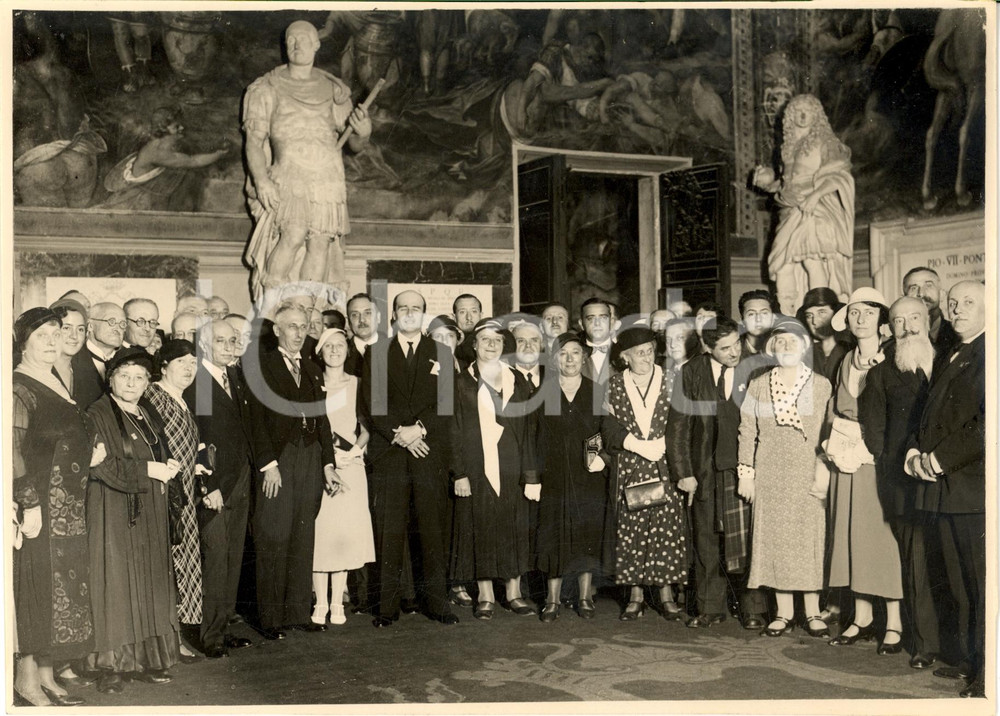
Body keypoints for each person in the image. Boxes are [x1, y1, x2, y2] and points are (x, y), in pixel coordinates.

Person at [243, 20, 372, 299]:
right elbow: (254, 141)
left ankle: (307, 305)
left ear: (316, 45)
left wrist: (364, 133)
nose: (297, 45)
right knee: (293, 233)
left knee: (321, 241)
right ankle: (274, 302)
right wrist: (261, 180)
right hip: (291, 173)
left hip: (327, 176)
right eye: (291, 40)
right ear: (285, 45)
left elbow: (355, 144)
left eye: (304, 39)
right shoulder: (266, 87)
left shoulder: (335, 90)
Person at [12, 307, 98, 706]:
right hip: (40, 507)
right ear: (23, 343)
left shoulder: (55, 380)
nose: (51, 341)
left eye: (55, 333)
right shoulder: (17, 387)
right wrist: (28, 504)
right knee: (35, 586)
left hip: (68, 508)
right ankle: (26, 678)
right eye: (42, 335)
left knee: (57, 588)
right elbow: (12, 451)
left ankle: (46, 673)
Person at [904, 281, 986, 698]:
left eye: (969, 302)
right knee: (959, 582)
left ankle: (990, 672)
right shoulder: (954, 352)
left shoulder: (990, 352)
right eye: (953, 303)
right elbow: (930, 412)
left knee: (982, 585)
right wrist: (916, 449)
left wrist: (936, 460)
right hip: (946, 489)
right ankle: (972, 661)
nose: (957, 309)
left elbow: (986, 426)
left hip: (974, 490)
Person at [361, 290, 459, 627]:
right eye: (403, 308)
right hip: (390, 452)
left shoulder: (442, 353)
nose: (409, 313)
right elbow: (373, 403)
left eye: (415, 308)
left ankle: (437, 603)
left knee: (431, 529)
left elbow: (447, 404)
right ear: (394, 315)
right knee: (390, 529)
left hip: (427, 450)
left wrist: (418, 429)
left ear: (424, 315)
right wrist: (397, 434)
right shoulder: (377, 353)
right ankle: (386, 607)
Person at [86, 347, 181, 693]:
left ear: (148, 382)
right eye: (124, 375)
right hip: (113, 509)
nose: (131, 382)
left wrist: (167, 466)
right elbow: (99, 465)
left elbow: (159, 451)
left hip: (148, 509)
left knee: (149, 582)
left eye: (139, 376)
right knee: (117, 585)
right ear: (110, 378)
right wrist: (148, 470)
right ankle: (111, 667)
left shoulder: (147, 411)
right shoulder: (97, 413)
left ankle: (147, 660)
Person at [666, 316, 769, 630]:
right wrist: (684, 472)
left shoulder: (756, 367)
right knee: (706, 539)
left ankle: (753, 609)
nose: (734, 352)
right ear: (707, 347)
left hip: (745, 468)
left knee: (748, 542)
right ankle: (710, 607)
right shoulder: (691, 372)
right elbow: (679, 427)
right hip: (705, 470)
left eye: (736, 343)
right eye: (724, 348)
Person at [244, 303, 337, 640]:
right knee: (274, 533)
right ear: (278, 330)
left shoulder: (312, 369)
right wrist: (268, 465)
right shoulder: (260, 367)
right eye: (292, 326)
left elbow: (322, 418)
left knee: (302, 533)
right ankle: (269, 618)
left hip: (309, 458)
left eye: (304, 327)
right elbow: (256, 420)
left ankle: (297, 612)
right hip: (279, 460)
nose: (299, 333)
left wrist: (328, 463)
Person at [858, 297, 941, 670]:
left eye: (915, 318)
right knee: (918, 563)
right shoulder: (879, 374)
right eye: (899, 321)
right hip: (905, 484)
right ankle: (924, 643)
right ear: (889, 328)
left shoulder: (948, 363)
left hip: (950, 479)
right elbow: (875, 436)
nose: (908, 326)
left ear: (928, 321)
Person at [736, 318, 832, 637]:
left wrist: (824, 470)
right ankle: (784, 612)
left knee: (808, 540)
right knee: (776, 541)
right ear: (771, 347)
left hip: (807, 469)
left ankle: (814, 612)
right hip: (770, 470)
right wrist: (746, 474)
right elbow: (747, 431)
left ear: (805, 346)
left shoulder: (821, 384)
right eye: (781, 341)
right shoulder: (759, 384)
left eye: (794, 341)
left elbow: (828, 432)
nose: (787, 346)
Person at [822, 288, 904, 654]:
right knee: (851, 536)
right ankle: (862, 616)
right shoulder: (845, 360)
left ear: (881, 319)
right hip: (846, 458)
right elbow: (837, 406)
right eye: (853, 312)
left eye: (868, 312)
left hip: (876, 459)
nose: (860, 318)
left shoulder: (893, 356)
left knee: (881, 538)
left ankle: (895, 622)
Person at [451, 318, 538, 620]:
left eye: (497, 340)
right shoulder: (461, 382)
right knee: (481, 526)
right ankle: (485, 595)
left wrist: (531, 475)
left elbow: (529, 431)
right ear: (473, 344)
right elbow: (454, 430)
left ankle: (514, 593)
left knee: (514, 526)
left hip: (513, 466)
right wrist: (459, 472)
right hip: (477, 467)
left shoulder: (519, 381)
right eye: (485, 339)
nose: (491, 344)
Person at [603, 326, 689, 621]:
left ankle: (665, 595)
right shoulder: (614, 385)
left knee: (665, 529)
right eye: (639, 353)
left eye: (650, 351)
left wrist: (663, 444)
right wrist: (636, 445)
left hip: (664, 462)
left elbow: (682, 420)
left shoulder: (671, 379)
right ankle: (636, 596)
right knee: (632, 530)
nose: (646, 357)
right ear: (625, 357)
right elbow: (606, 425)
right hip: (631, 463)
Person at [184, 322, 258, 658]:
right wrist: (207, 485)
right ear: (202, 344)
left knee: (232, 558)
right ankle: (210, 636)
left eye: (233, 340)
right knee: (214, 559)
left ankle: (224, 626)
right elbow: (195, 437)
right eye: (221, 341)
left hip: (241, 479)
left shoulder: (236, 377)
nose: (229, 347)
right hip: (214, 485)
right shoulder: (195, 382)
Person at [753, 94, 854, 315]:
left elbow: (839, 174)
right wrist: (768, 182)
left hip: (815, 209)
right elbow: (785, 182)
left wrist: (815, 195)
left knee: (812, 261)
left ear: (816, 114)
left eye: (807, 110)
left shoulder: (825, 141)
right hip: (789, 209)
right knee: (782, 266)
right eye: (797, 110)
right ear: (789, 115)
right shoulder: (787, 148)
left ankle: (820, 315)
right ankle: (788, 319)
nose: (802, 114)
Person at [535, 333, 611, 621]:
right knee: (553, 534)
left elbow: (608, 433)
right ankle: (552, 599)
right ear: (554, 359)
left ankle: (585, 596)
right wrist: (533, 476)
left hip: (587, 476)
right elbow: (534, 436)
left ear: (584, 357)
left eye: (575, 353)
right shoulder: (543, 392)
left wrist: (603, 460)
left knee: (586, 534)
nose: (569, 359)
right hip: (553, 475)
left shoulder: (597, 391)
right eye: (563, 353)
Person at [311, 328, 375, 626]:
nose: (334, 351)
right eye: (328, 346)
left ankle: (338, 602)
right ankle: (320, 602)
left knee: (343, 537)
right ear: (319, 352)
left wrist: (354, 453)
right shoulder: (311, 384)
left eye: (340, 345)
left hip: (350, 466)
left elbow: (366, 427)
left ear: (348, 351)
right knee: (321, 534)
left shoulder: (359, 384)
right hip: (320, 468)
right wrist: (326, 459)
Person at [144, 338, 203, 661]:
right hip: (165, 497)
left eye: (193, 363)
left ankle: (174, 637)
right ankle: (163, 642)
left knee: (181, 566)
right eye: (181, 362)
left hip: (185, 496)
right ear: (163, 366)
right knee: (167, 567)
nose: (188, 369)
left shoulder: (181, 399)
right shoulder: (155, 395)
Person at [73, 302, 125, 409]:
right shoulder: (72, 359)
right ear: (91, 326)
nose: (117, 328)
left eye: (122, 324)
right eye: (111, 321)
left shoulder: (128, 360)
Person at [796, 287, 851, 383]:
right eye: (809, 315)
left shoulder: (850, 350)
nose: (814, 321)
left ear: (836, 314)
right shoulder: (804, 355)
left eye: (821, 312)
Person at [901, 267, 959, 353]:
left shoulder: (959, 336)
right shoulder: (897, 342)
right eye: (913, 288)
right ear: (904, 299)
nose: (921, 293)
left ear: (942, 295)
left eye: (928, 286)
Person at [49, 296, 88, 397]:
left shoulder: (86, 373)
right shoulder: (34, 370)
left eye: (80, 329)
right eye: (66, 328)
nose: (74, 336)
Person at [578, 297, 616, 385]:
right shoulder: (573, 356)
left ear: (612, 322)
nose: (597, 323)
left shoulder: (625, 352)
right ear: (581, 324)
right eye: (590, 318)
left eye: (603, 318)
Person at [345, 293, 383, 377]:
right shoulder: (340, 353)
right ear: (348, 322)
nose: (361, 320)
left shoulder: (394, 348)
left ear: (378, 317)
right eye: (355, 315)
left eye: (368, 313)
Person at [661, 317, 699, 402]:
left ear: (692, 339)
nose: (672, 345)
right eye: (668, 340)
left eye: (680, 338)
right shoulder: (662, 371)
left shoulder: (701, 370)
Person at [738, 289, 777, 357]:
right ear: (742, 321)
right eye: (751, 314)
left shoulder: (780, 348)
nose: (758, 319)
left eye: (764, 313)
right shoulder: (734, 350)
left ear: (773, 319)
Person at [452, 293, 483, 369]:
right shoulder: (449, 342)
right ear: (454, 317)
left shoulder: (491, 342)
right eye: (462, 312)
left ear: (481, 315)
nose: (469, 317)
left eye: (474, 311)